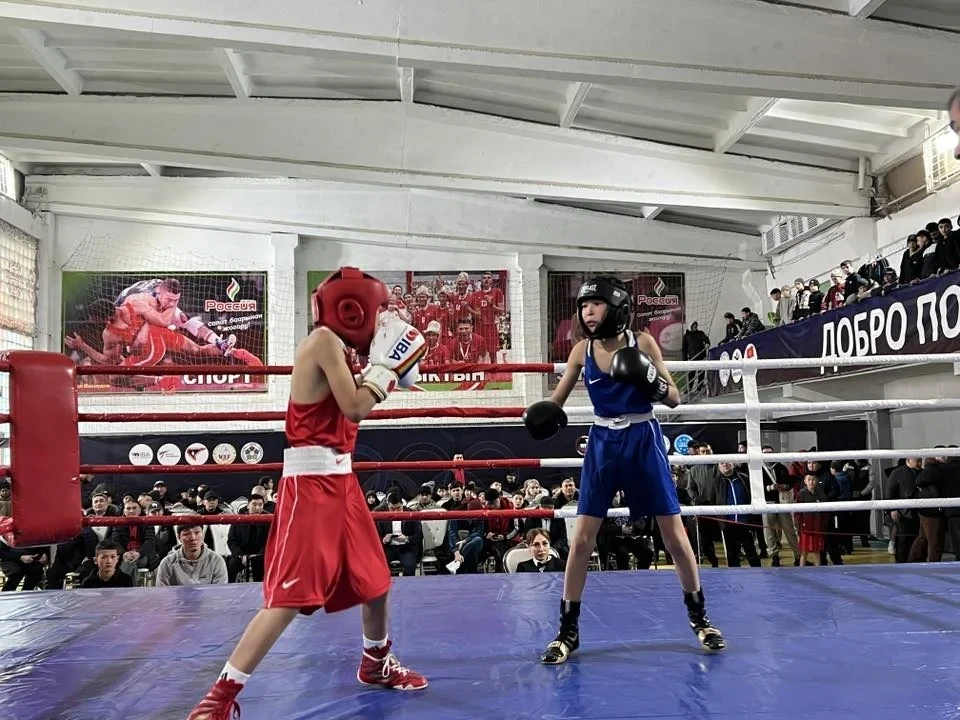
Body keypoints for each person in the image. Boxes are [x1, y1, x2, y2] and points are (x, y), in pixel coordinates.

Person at [188, 267, 429, 720]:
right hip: (311, 484)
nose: (380, 323)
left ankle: (375, 664)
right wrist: (384, 370)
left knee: (375, 582)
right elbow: (356, 407)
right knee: (289, 597)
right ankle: (216, 700)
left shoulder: (341, 349)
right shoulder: (322, 342)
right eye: (376, 314)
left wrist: (393, 368)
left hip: (341, 480)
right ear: (353, 310)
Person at [522, 276, 725, 665]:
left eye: (595, 305)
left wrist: (649, 380)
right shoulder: (581, 350)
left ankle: (701, 620)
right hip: (602, 442)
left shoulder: (643, 343)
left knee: (676, 538)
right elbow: (557, 400)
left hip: (644, 437)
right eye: (583, 307)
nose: (587, 312)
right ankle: (567, 631)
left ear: (614, 307)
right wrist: (542, 415)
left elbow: (675, 398)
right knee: (581, 541)